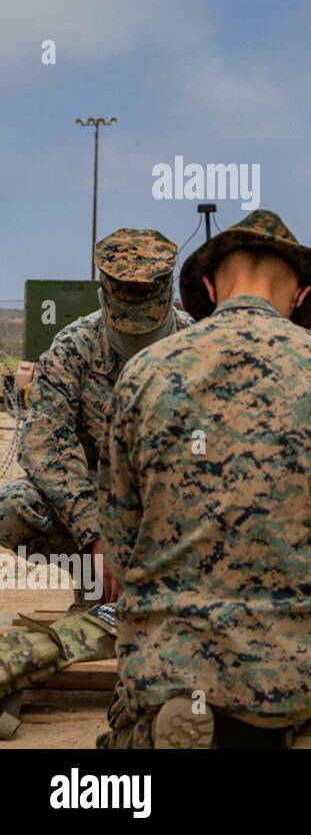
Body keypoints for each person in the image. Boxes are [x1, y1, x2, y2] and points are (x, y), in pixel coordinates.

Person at [96, 210, 311, 749]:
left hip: (171, 657)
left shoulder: (143, 373)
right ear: (302, 295)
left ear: (208, 287)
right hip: (296, 668)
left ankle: (169, 716)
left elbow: (120, 544)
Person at [0, 228, 191, 611]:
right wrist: (95, 536)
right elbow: (45, 448)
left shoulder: (200, 346)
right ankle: (96, 587)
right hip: (98, 501)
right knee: (12, 508)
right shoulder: (73, 349)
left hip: (178, 506)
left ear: (167, 294)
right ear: (105, 298)